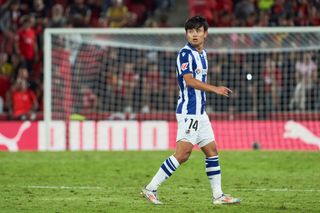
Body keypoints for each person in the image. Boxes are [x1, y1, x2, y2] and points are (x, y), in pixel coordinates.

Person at [141, 16, 240, 205]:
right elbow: (189, 81)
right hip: (189, 111)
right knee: (183, 154)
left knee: (212, 151)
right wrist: (215, 89)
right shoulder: (185, 54)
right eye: (190, 31)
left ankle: (218, 196)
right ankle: (151, 188)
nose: (194, 35)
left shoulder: (203, 54)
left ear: (205, 34)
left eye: (198, 31)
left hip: (200, 113)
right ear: (186, 34)